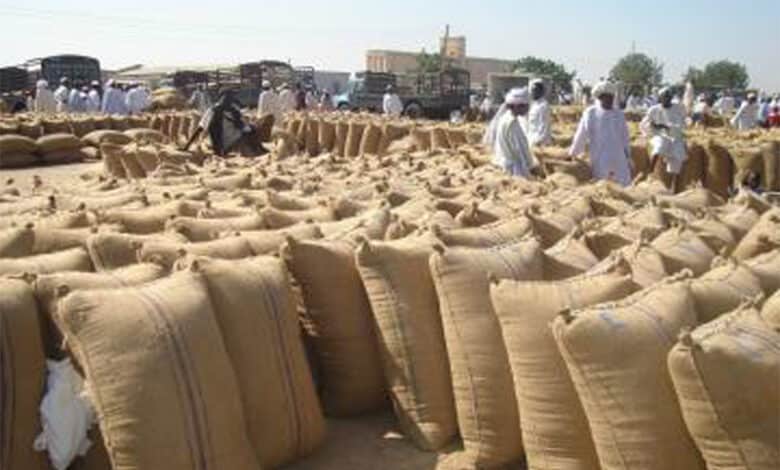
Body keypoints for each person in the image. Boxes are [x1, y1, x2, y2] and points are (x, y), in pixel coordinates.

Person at [569, 81, 632, 186]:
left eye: (612, 97)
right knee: (603, 186)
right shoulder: (591, 113)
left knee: (623, 186)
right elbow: (581, 136)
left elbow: (625, 137)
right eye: (607, 97)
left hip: (619, 159)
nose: (610, 100)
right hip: (600, 158)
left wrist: (628, 157)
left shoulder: (619, 114)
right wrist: (573, 154)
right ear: (600, 97)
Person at [183, 89, 258, 157]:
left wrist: (186, 146)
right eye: (231, 98)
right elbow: (244, 128)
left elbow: (199, 129)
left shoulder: (211, 110)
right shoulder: (233, 112)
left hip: (214, 146)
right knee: (250, 131)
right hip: (229, 146)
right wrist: (251, 128)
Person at [641, 87, 688, 192]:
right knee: (659, 147)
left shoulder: (678, 109)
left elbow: (682, 125)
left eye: (668, 97)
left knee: (678, 156)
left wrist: (668, 127)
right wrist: (655, 126)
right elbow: (645, 124)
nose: (666, 99)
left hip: (675, 137)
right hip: (659, 135)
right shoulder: (654, 110)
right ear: (660, 98)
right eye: (664, 97)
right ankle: (649, 173)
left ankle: (674, 187)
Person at [492, 88, 538, 177]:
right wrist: (530, 166)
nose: (527, 109)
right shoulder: (511, 123)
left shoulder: (506, 119)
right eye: (525, 106)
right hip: (514, 169)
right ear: (517, 106)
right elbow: (519, 150)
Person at [525, 79, 552, 147]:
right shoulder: (533, 105)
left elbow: (544, 125)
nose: (533, 92)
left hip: (539, 143)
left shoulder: (543, 106)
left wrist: (538, 141)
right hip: (531, 139)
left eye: (536, 90)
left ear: (541, 92)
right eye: (532, 90)